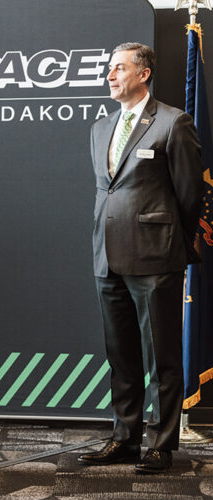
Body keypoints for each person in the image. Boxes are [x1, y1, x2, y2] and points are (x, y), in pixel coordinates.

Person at [78, 43, 204, 473]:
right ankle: (125, 438)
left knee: (162, 358)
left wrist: (175, 244)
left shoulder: (173, 122)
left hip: (155, 257)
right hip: (107, 257)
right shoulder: (100, 128)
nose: (110, 76)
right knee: (122, 356)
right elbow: (107, 192)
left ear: (144, 73)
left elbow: (191, 195)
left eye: (119, 68)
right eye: (108, 69)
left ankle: (162, 443)